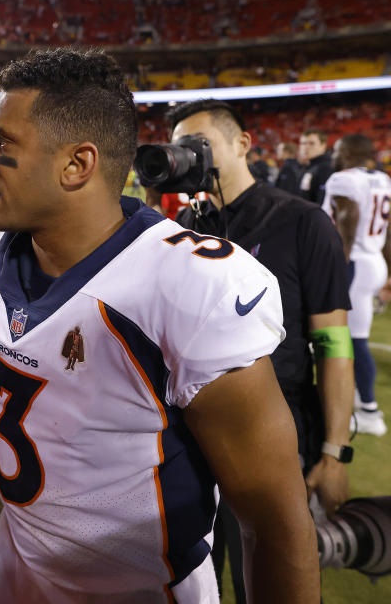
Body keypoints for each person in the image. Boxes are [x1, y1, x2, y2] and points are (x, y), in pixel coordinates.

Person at [0, 48, 319, 603]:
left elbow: (274, 522)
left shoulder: (186, 284)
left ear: (77, 164)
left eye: (4, 144)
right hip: (16, 565)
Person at [167, 99, 353, 603]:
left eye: (197, 145)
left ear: (243, 144)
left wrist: (336, 451)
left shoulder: (302, 221)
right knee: (189, 577)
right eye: (179, 147)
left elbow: (333, 342)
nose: (187, 156)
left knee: (266, 579)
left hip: (276, 421)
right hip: (186, 431)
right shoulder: (180, 228)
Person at [322, 133, 391, 437]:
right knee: (350, 339)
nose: (334, 154)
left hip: (356, 263)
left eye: (338, 150)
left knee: (351, 340)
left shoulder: (343, 178)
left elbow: (348, 217)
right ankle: (359, 402)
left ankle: (369, 411)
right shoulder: (382, 179)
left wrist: (341, 262)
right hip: (374, 259)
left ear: (349, 152)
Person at [299, 128, 333, 203]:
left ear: (323, 145)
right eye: (303, 143)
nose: (306, 147)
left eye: (311, 143)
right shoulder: (310, 167)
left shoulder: (326, 168)